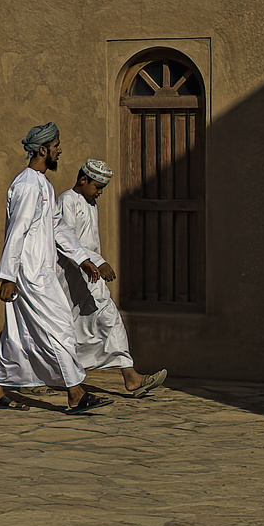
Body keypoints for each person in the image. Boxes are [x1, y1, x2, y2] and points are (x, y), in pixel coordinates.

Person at [0, 123, 111, 415]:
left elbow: (57, 226)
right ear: (43, 150)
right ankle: (75, 393)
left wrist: (82, 257)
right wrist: (7, 276)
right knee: (59, 328)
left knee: (20, 332)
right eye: (56, 146)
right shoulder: (27, 185)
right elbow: (17, 232)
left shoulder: (42, 184)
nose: (60, 150)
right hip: (29, 273)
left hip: (41, 271)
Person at [59, 159, 168, 397]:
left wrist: (96, 262)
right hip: (71, 276)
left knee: (110, 317)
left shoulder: (90, 204)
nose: (99, 193)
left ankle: (131, 377)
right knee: (63, 327)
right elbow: (66, 239)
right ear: (83, 180)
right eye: (97, 187)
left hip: (90, 276)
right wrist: (97, 262)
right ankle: (49, 375)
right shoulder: (67, 200)